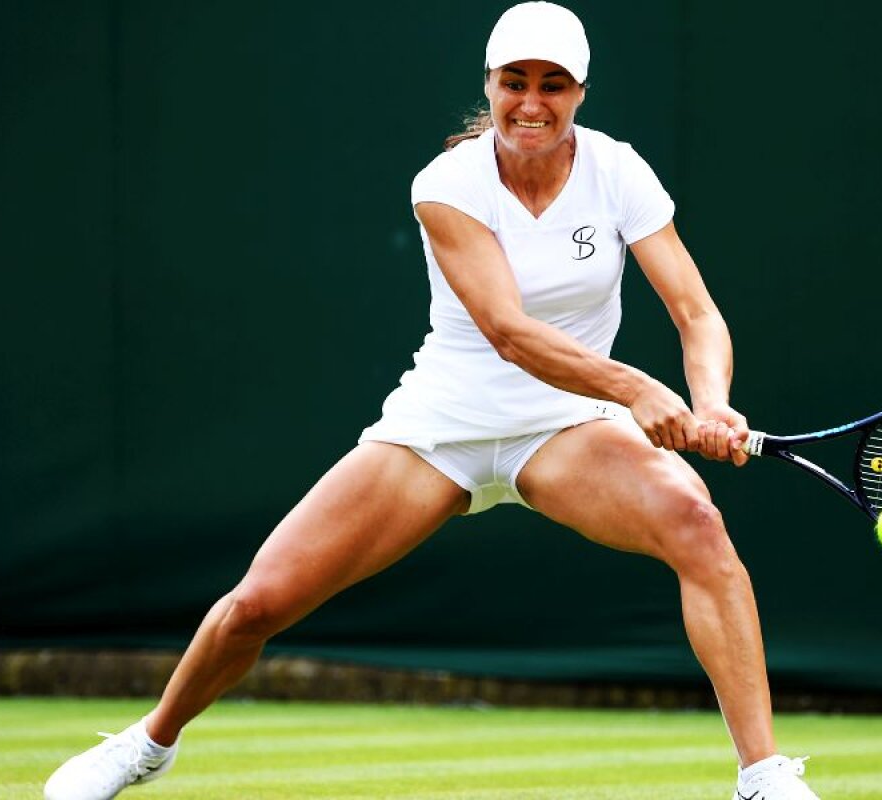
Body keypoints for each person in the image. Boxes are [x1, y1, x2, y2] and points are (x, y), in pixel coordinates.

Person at [44, 3, 820, 799]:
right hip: (442, 426)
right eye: (514, 82)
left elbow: (695, 312)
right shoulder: (447, 184)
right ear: (488, 85)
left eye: (553, 85)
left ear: (581, 92)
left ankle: (761, 776)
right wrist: (636, 389)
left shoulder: (619, 171)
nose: (531, 102)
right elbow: (509, 332)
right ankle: (149, 743)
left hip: (562, 429)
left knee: (696, 524)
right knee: (256, 606)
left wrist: (713, 401)